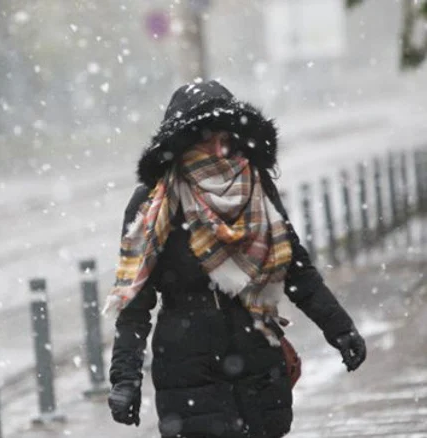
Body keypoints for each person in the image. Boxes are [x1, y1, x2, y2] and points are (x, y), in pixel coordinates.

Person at [105, 81, 367, 438]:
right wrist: (125, 378)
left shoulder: (255, 188)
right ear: (181, 144)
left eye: (225, 137)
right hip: (188, 377)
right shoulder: (152, 205)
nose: (217, 148)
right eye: (204, 138)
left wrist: (340, 328)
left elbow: (294, 269)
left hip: (257, 367)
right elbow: (135, 305)